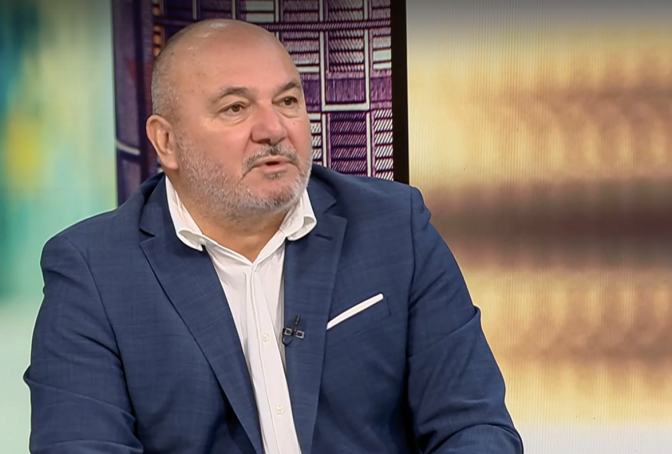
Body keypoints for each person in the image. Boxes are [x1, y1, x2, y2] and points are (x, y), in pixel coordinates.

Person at [24, 19, 523, 454]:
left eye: (287, 101)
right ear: (166, 141)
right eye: (235, 108)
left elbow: (474, 425)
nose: (273, 128)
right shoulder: (94, 271)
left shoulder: (393, 226)